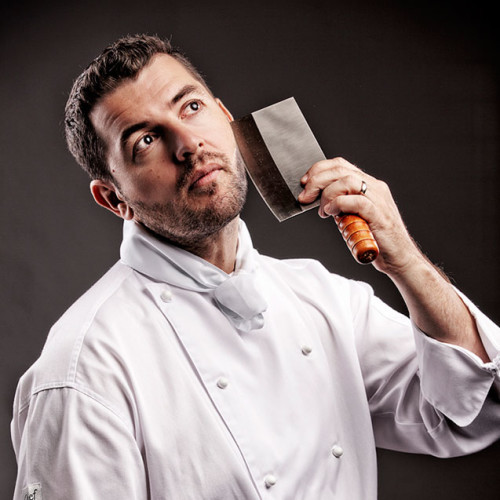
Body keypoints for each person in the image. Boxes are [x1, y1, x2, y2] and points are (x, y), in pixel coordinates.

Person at [11, 33, 500, 500]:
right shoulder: (85, 368)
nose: (188, 144)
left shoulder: (321, 298)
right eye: (145, 140)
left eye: (191, 107)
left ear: (226, 118)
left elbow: (472, 412)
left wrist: (407, 261)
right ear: (113, 198)